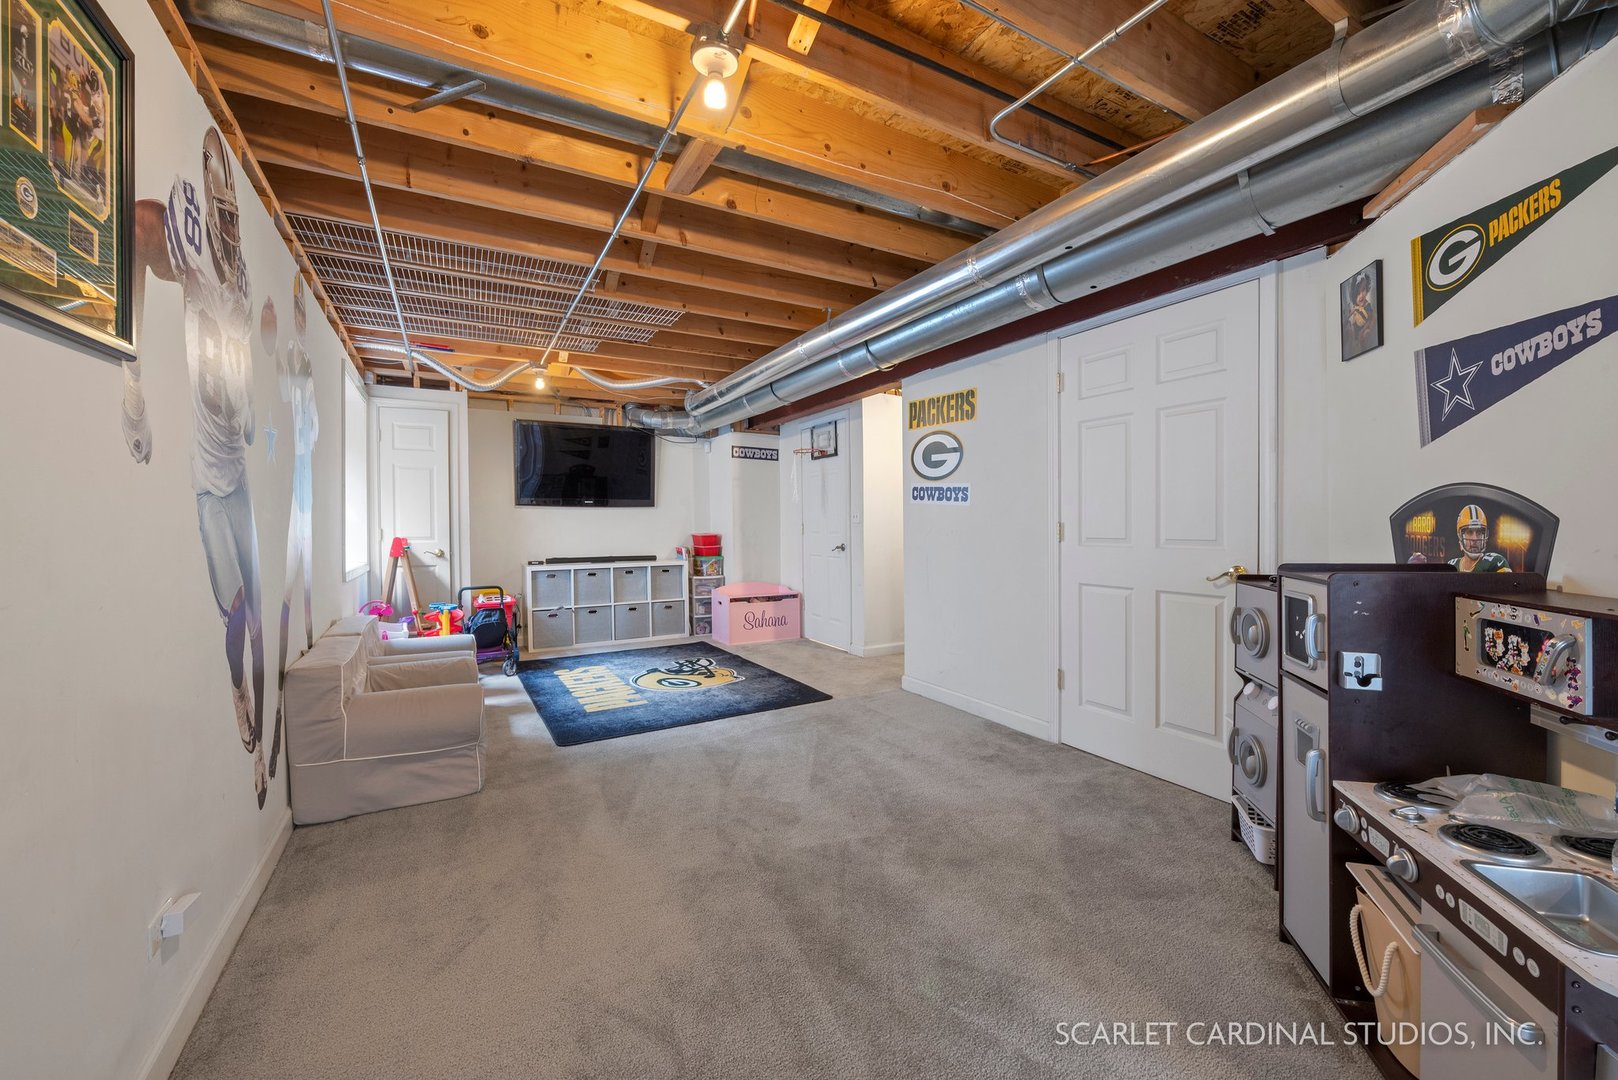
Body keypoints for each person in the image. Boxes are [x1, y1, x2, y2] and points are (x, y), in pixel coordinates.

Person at [120, 126, 268, 805]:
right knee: (236, 615)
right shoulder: (197, 264)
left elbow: (242, 378)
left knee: (259, 611)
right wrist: (132, 381)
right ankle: (237, 691)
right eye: (223, 212)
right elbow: (141, 229)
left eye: (234, 210)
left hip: (237, 477)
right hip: (211, 489)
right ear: (209, 214)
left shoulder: (234, 279)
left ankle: (260, 744)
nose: (229, 222)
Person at [269, 274, 318, 779]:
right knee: (286, 590)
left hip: (301, 490)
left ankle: (288, 699)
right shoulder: (288, 363)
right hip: (292, 493)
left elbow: (309, 430)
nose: (299, 322)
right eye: (297, 313)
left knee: (298, 591)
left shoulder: (307, 374)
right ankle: (280, 697)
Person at [1448, 504, 1511, 573]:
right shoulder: (1452, 565)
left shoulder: (1495, 562)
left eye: (1478, 533)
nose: (1474, 538)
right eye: (1469, 532)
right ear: (1460, 536)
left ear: (1484, 535)